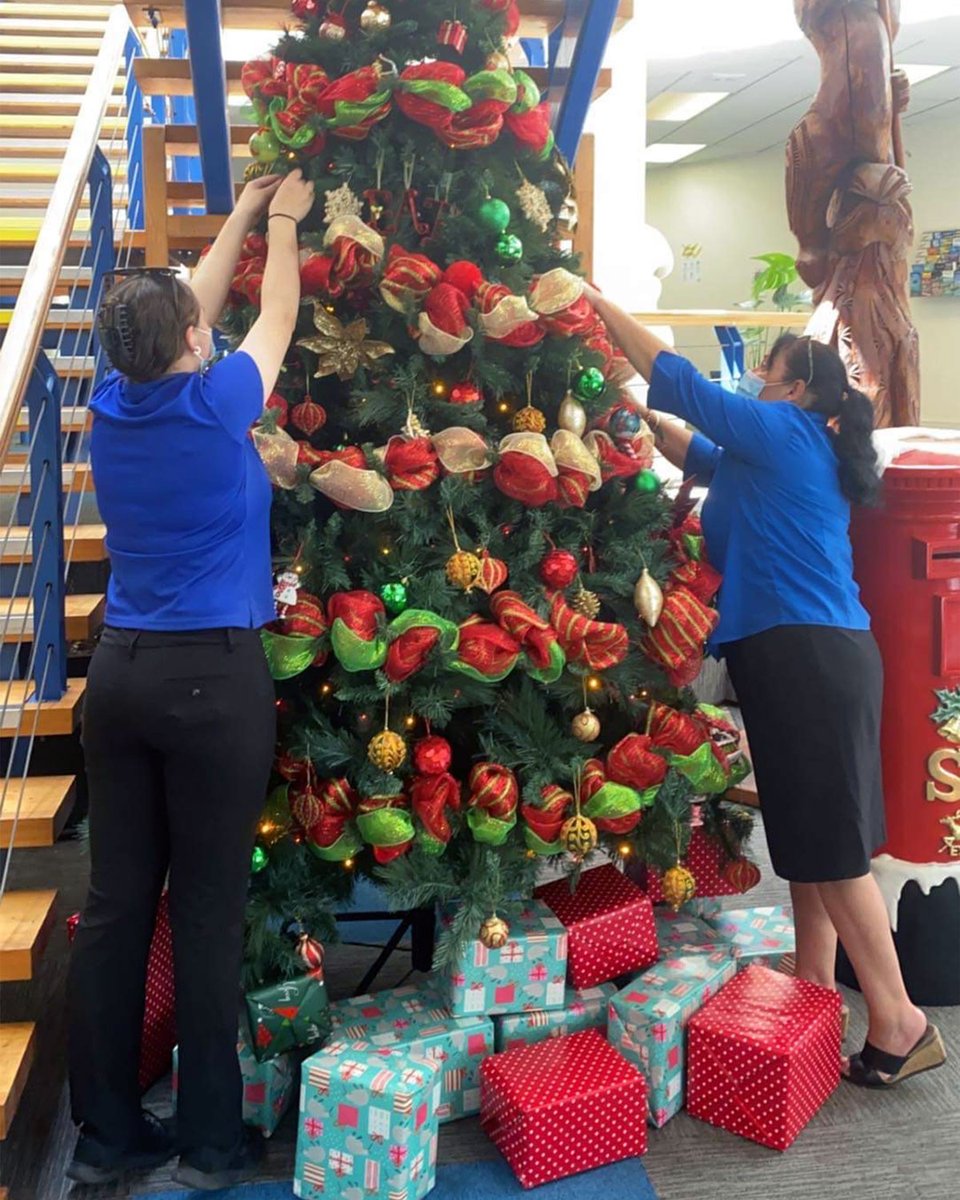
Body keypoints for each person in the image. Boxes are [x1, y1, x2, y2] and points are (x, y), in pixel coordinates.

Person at [586, 286, 946, 1089]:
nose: (757, 389)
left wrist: (597, 305)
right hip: (801, 655)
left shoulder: (786, 431)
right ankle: (816, 991)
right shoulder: (767, 452)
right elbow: (690, 447)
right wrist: (628, 406)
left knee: (836, 846)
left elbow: (680, 379)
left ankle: (900, 1019)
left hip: (807, 654)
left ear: (797, 392)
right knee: (811, 838)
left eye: (768, 377)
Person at [67, 169, 315, 1189]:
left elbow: (188, 310)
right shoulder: (219, 402)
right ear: (187, 346)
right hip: (213, 682)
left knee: (120, 904)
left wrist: (241, 213)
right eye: (196, 329)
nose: (208, 332)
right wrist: (286, 231)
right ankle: (212, 1143)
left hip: (118, 679)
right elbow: (277, 312)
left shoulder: (112, 404)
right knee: (209, 908)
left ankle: (106, 1136)